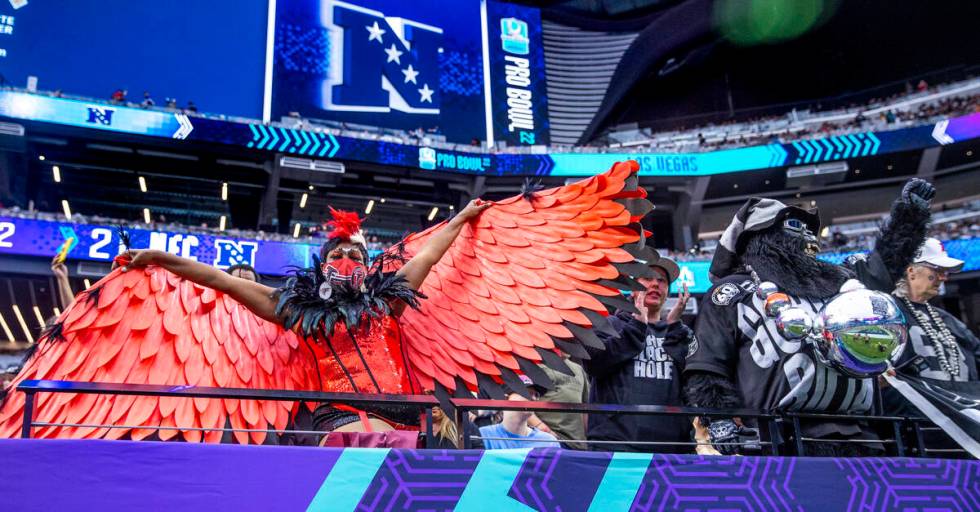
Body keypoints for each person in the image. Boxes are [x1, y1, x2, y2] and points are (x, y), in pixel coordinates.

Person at [684, 178, 934, 457]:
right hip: (778, 439)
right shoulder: (732, 293)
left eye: (809, 230)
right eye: (793, 227)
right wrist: (719, 419)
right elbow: (707, 366)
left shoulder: (838, 280)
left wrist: (909, 217)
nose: (807, 237)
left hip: (861, 433)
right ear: (760, 237)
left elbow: (883, 267)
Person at [584, 255, 694, 453]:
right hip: (616, 446)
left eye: (661, 280)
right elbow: (594, 365)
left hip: (672, 448)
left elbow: (693, 382)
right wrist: (636, 325)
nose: (655, 284)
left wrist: (675, 329)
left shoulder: (680, 333)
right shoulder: (608, 324)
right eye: (647, 278)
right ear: (633, 287)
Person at [889, 238, 979, 381]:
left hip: (964, 400)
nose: (944, 277)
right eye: (938, 270)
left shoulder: (945, 318)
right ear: (911, 271)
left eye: (945, 272)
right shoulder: (887, 313)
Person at [478, 375, 561, 449]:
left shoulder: (548, 442)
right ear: (506, 398)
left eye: (536, 395)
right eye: (525, 393)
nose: (533, 398)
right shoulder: (483, 435)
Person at [532, 357, 589, 449]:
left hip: (578, 444)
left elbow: (585, 407)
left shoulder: (578, 369)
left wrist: (588, 440)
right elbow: (520, 401)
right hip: (546, 441)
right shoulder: (534, 364)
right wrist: (543, 429)